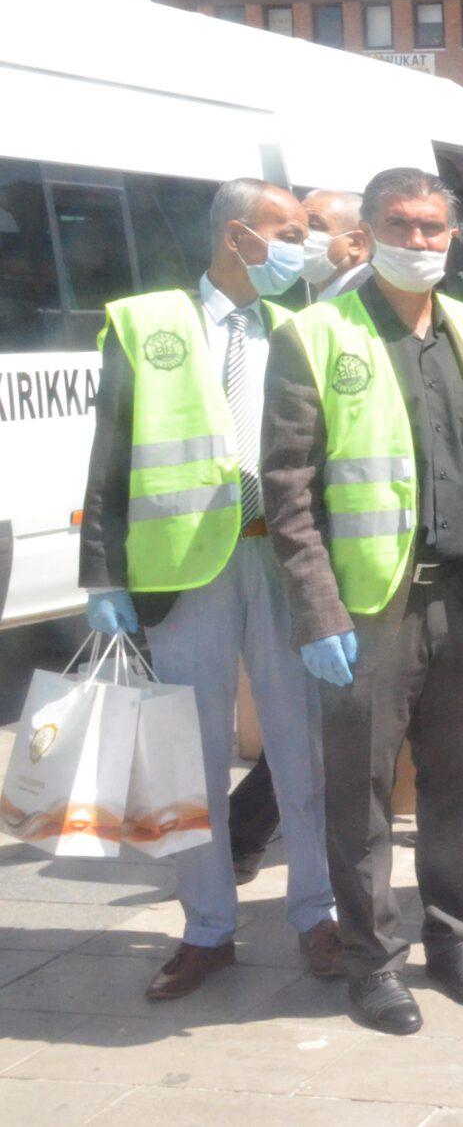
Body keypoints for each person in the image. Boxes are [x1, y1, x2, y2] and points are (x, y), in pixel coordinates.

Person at [263, 166, 463, 1036]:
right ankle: (372, 961)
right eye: (401, 225)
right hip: (368, 605)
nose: (419, 242)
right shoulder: (317, 335)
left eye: (433, 228)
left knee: (459, 784)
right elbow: (289, 488)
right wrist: (318, 612)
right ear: (368, 230)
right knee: (363, 794)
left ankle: (454, 938)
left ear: (452, 236)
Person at [78, 177, 340, 998]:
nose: (304, 246)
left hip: (281, 559)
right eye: (289, 230)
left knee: (301, 749)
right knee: (189, 759)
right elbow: (110, 452)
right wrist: (101, 572)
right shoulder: (149, 324)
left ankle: (317, 915)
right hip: (184, 568)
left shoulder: (301, 327)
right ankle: (207, 928)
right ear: (239, 235)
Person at [300, 190, 370, 300]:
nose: (300, 235)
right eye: (298, 227)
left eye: (314, 226)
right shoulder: (332, 296)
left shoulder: (371, 297)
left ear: (356, 243)